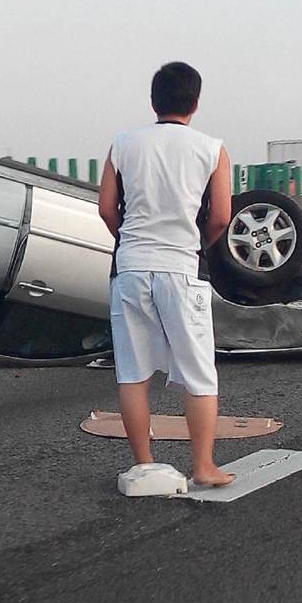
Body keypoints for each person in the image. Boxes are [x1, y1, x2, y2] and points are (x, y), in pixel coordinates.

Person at [98, 61, 235, 491]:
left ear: (153, 101)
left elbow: (105, 208)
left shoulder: (123, 145)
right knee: (198, 372)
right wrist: (197, 245)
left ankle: (143, 463)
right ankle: (203, 466)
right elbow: (221, 217)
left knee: (134, 372)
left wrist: (131, 241)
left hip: (132, 267)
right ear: (195, 103)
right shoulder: (212, 149)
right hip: (182, 267)